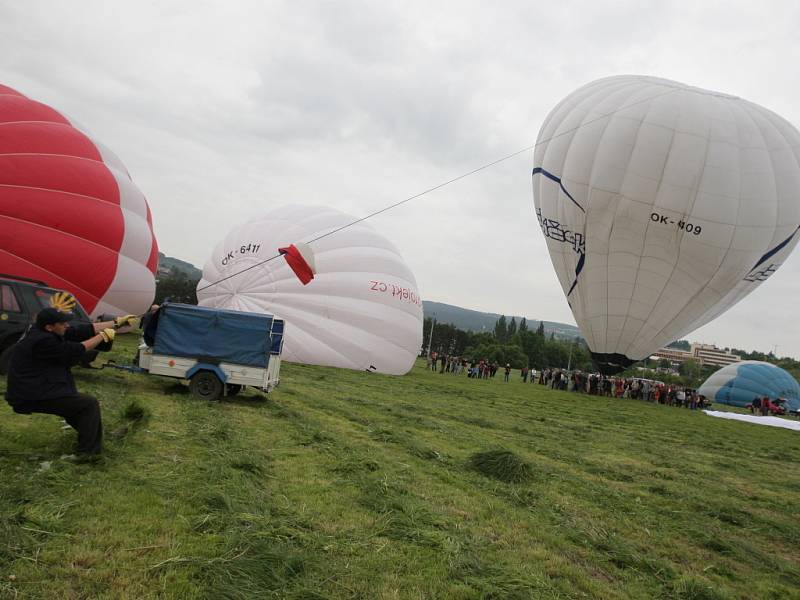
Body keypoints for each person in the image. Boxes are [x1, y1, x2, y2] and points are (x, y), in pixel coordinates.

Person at [4, 308, 135, 457]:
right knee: (88, 404)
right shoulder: (42, 341)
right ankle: (88, 454)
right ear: (49, 327)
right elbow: (76, 350)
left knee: (76, 407)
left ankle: (93, 438)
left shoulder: (43, 331)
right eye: (62, 323)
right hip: (30, 394)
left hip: (37, 386)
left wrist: (115, 323)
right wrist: (102, 336)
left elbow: (78, 331)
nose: (67, 325)